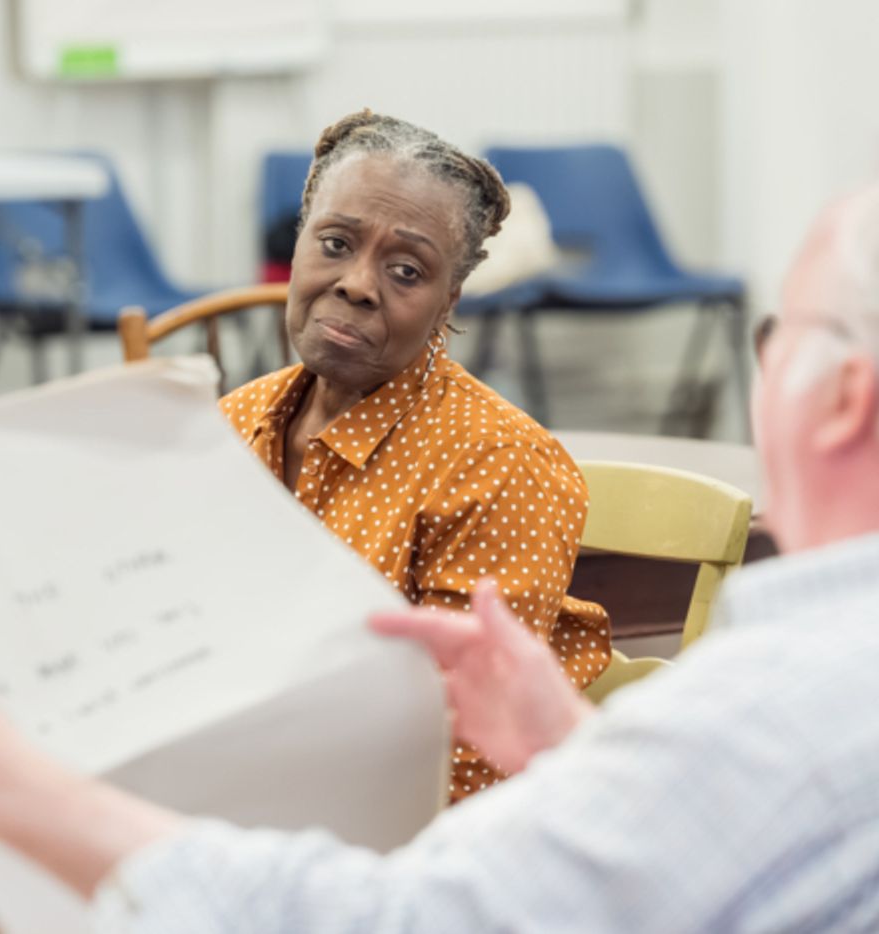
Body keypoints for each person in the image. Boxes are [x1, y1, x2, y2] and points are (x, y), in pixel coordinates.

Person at [0, 167, 879, 932]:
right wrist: (579, 751)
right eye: (331, 244)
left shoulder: (767, 707)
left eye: (783, 333)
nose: (355, 287)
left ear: (838, 397)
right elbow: (735, 849)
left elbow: (393, 919)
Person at [219, 110, 610, 800]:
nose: (358, 284)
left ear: (447, 301)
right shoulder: (230, 424)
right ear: (300, 246)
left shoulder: (499, 466)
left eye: (406, 270)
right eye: (334, 243)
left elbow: (464, 756)